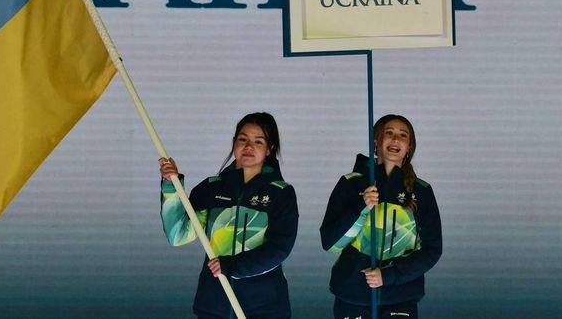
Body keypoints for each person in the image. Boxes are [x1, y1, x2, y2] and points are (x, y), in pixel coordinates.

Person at [159, 112, 298, 319]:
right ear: (234, 143)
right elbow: (177, 234)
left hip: (265, 307)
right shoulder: (210, 188)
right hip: (214, 304)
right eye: (242, 139)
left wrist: (231, 266)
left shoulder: (281, 193)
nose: (248, 147)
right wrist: (172, 186)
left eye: (258, 141)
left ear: (269, 148)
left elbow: (279, 249)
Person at [320, 114, 442, 319]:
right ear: (376, 141)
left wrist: (389, 275)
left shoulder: (421, 191)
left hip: (401, 296)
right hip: (352, 295)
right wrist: (361, 206)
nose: (395, 139)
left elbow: (432, 250)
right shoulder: (351, 184)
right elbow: (330, 242)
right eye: (389, 133)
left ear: (409, 147)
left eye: (403, 135)